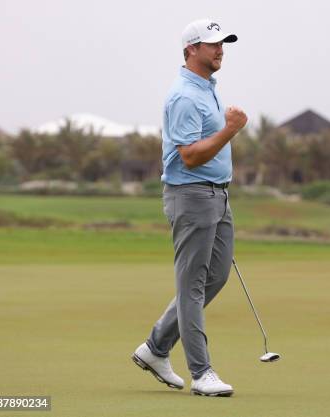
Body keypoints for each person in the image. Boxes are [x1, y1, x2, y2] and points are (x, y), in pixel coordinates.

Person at [131, 18, 247, 397]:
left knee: (215, 276)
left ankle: (155, 348)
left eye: (222, 43)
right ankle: (202, 373)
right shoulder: (183, 95)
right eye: (212, 44)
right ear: (190, 50)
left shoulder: (207, 89)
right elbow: (190, 157)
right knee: (192, 285)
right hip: (191, 195)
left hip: (218, 195)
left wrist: (226, 129)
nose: (220, 49)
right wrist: (229, 130)